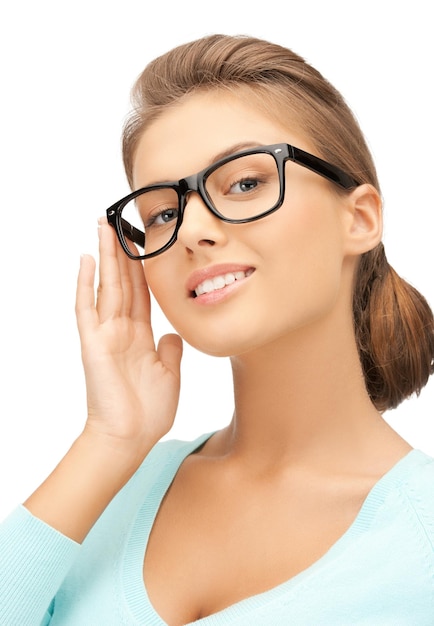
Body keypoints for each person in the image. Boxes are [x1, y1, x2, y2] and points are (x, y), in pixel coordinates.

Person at [1, 33, 433, 626]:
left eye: (246, 182)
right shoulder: (109, 494)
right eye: (162, 213)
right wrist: (109, 442)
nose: (192, 230)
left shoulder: (421, 541)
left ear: (358, 219)